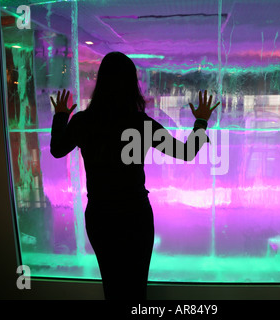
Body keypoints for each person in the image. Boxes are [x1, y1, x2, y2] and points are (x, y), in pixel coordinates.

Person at [50, 51, 219, 300]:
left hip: (101, 216)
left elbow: (56, 150)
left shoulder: (85, 122)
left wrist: (62, 116)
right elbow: (186, 152)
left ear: (101, 82)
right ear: (132, 85)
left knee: (112, 286)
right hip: (134, 215)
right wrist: (201, 122)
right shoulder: (141, 124)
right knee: (136, 288)